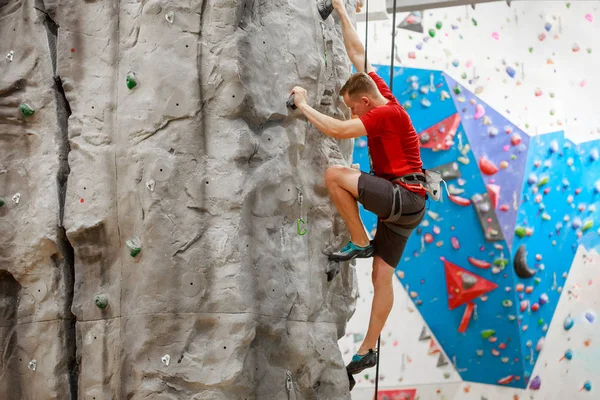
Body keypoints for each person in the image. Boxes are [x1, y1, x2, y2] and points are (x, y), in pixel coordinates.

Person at [290, 0, 427, 376]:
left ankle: (359, 240)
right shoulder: (381, 93)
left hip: (403, 196)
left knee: (335, 175)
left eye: (354, 109)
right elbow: (358, 53)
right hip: (410, 203)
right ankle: (368, 350)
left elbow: (335, 130)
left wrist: (302, 105)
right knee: (382, 274)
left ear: (365, 103)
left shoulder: (384, 114)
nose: (353, 115)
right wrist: (341, 9)